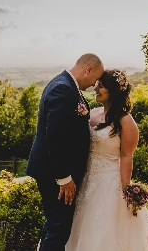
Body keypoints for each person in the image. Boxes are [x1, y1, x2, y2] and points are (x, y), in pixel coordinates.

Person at [65, 69, 148, 250]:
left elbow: (126, 157)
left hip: (109, 184)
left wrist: (126, 190)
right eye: (96, 85)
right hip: (84, 180)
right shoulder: (91, 113)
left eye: (100, 86)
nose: (96, 89)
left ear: (113, 91)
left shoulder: (126, 122)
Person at [26, 54, 104, 251]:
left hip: (55, 171)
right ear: (88, 69)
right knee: (60, 228)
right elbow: (56, 137)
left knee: (55, 224)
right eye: (96, 78)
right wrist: (63, 177)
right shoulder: (63, 88)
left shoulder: (68, 87)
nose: (95, 84)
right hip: (55, 173)